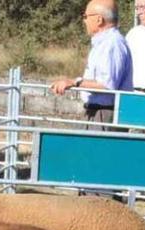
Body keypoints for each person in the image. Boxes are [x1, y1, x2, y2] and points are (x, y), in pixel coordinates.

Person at [50, 0, 133, 131]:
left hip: (105, 114)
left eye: (86, 17)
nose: (84, 21)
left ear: (99, 19)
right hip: (96, 111)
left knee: (101, 151)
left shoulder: (112, 44)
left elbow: (106, 84)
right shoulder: (103, 43)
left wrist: (74, 82)